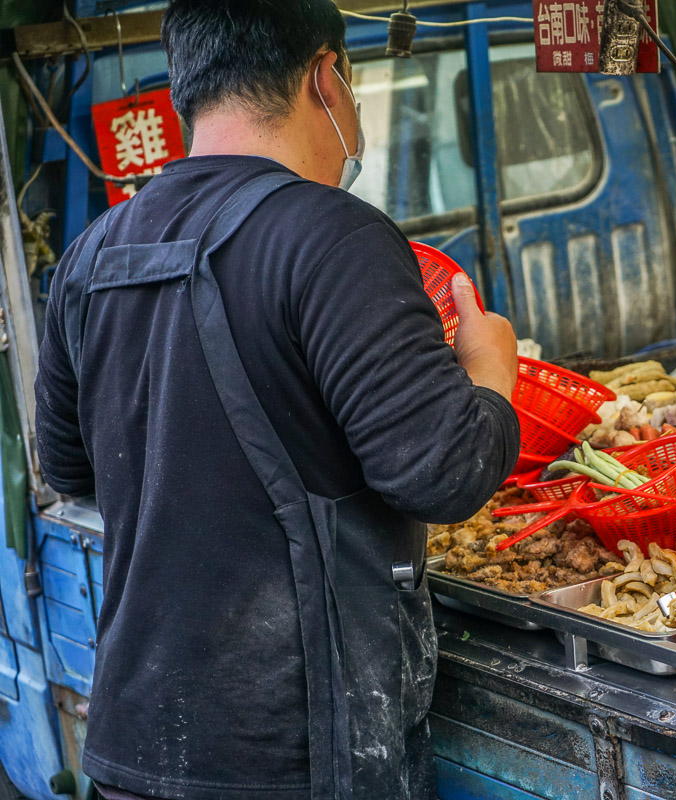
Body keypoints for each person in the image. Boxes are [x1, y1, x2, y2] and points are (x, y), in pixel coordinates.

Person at [33, 1, 520, 798]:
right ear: (326, 77)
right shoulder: (334, 235)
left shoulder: (92, 257)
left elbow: (72, 469)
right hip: (297, 755)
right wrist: (489, 369)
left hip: (138, 740)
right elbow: (444, 472)